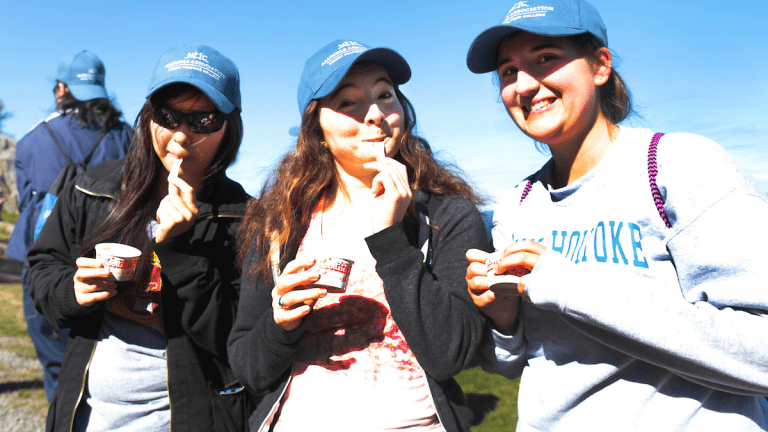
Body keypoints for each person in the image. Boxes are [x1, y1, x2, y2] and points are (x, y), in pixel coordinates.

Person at [463, 1, 768, 431]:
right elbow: (511, 365)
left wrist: (565, 284)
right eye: (508, 71)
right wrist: (502, 318)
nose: (524, 85)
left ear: (600, 65)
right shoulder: (517, 205)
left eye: (545, 58)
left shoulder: (679, 165)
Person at [228, 39, 489, 432]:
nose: (375, 114)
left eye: (385, 95)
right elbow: (250, 367)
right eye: (347, 102)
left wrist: (389, 238)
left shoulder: (447, 215)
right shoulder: (280, 223)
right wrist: (281, 324)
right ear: (316, 127)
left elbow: (452, 354)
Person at [26, 44, 252, 431]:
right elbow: (43, 269)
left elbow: (239, 340)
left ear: (229, 127)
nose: (181, 136)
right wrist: (73, 292)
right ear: (148, 118)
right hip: (87, 416)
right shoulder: (94, 189)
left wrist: (181, 251)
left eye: (204, 120)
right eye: (169, 116)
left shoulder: (245, 218)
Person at [9, 50, 133, 401]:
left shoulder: (34, 140)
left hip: (44, 271)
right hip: (107, 271)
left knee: (58, 376)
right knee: (107, 375)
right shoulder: (127, 138)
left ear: (61, 88)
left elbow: (25, 204)